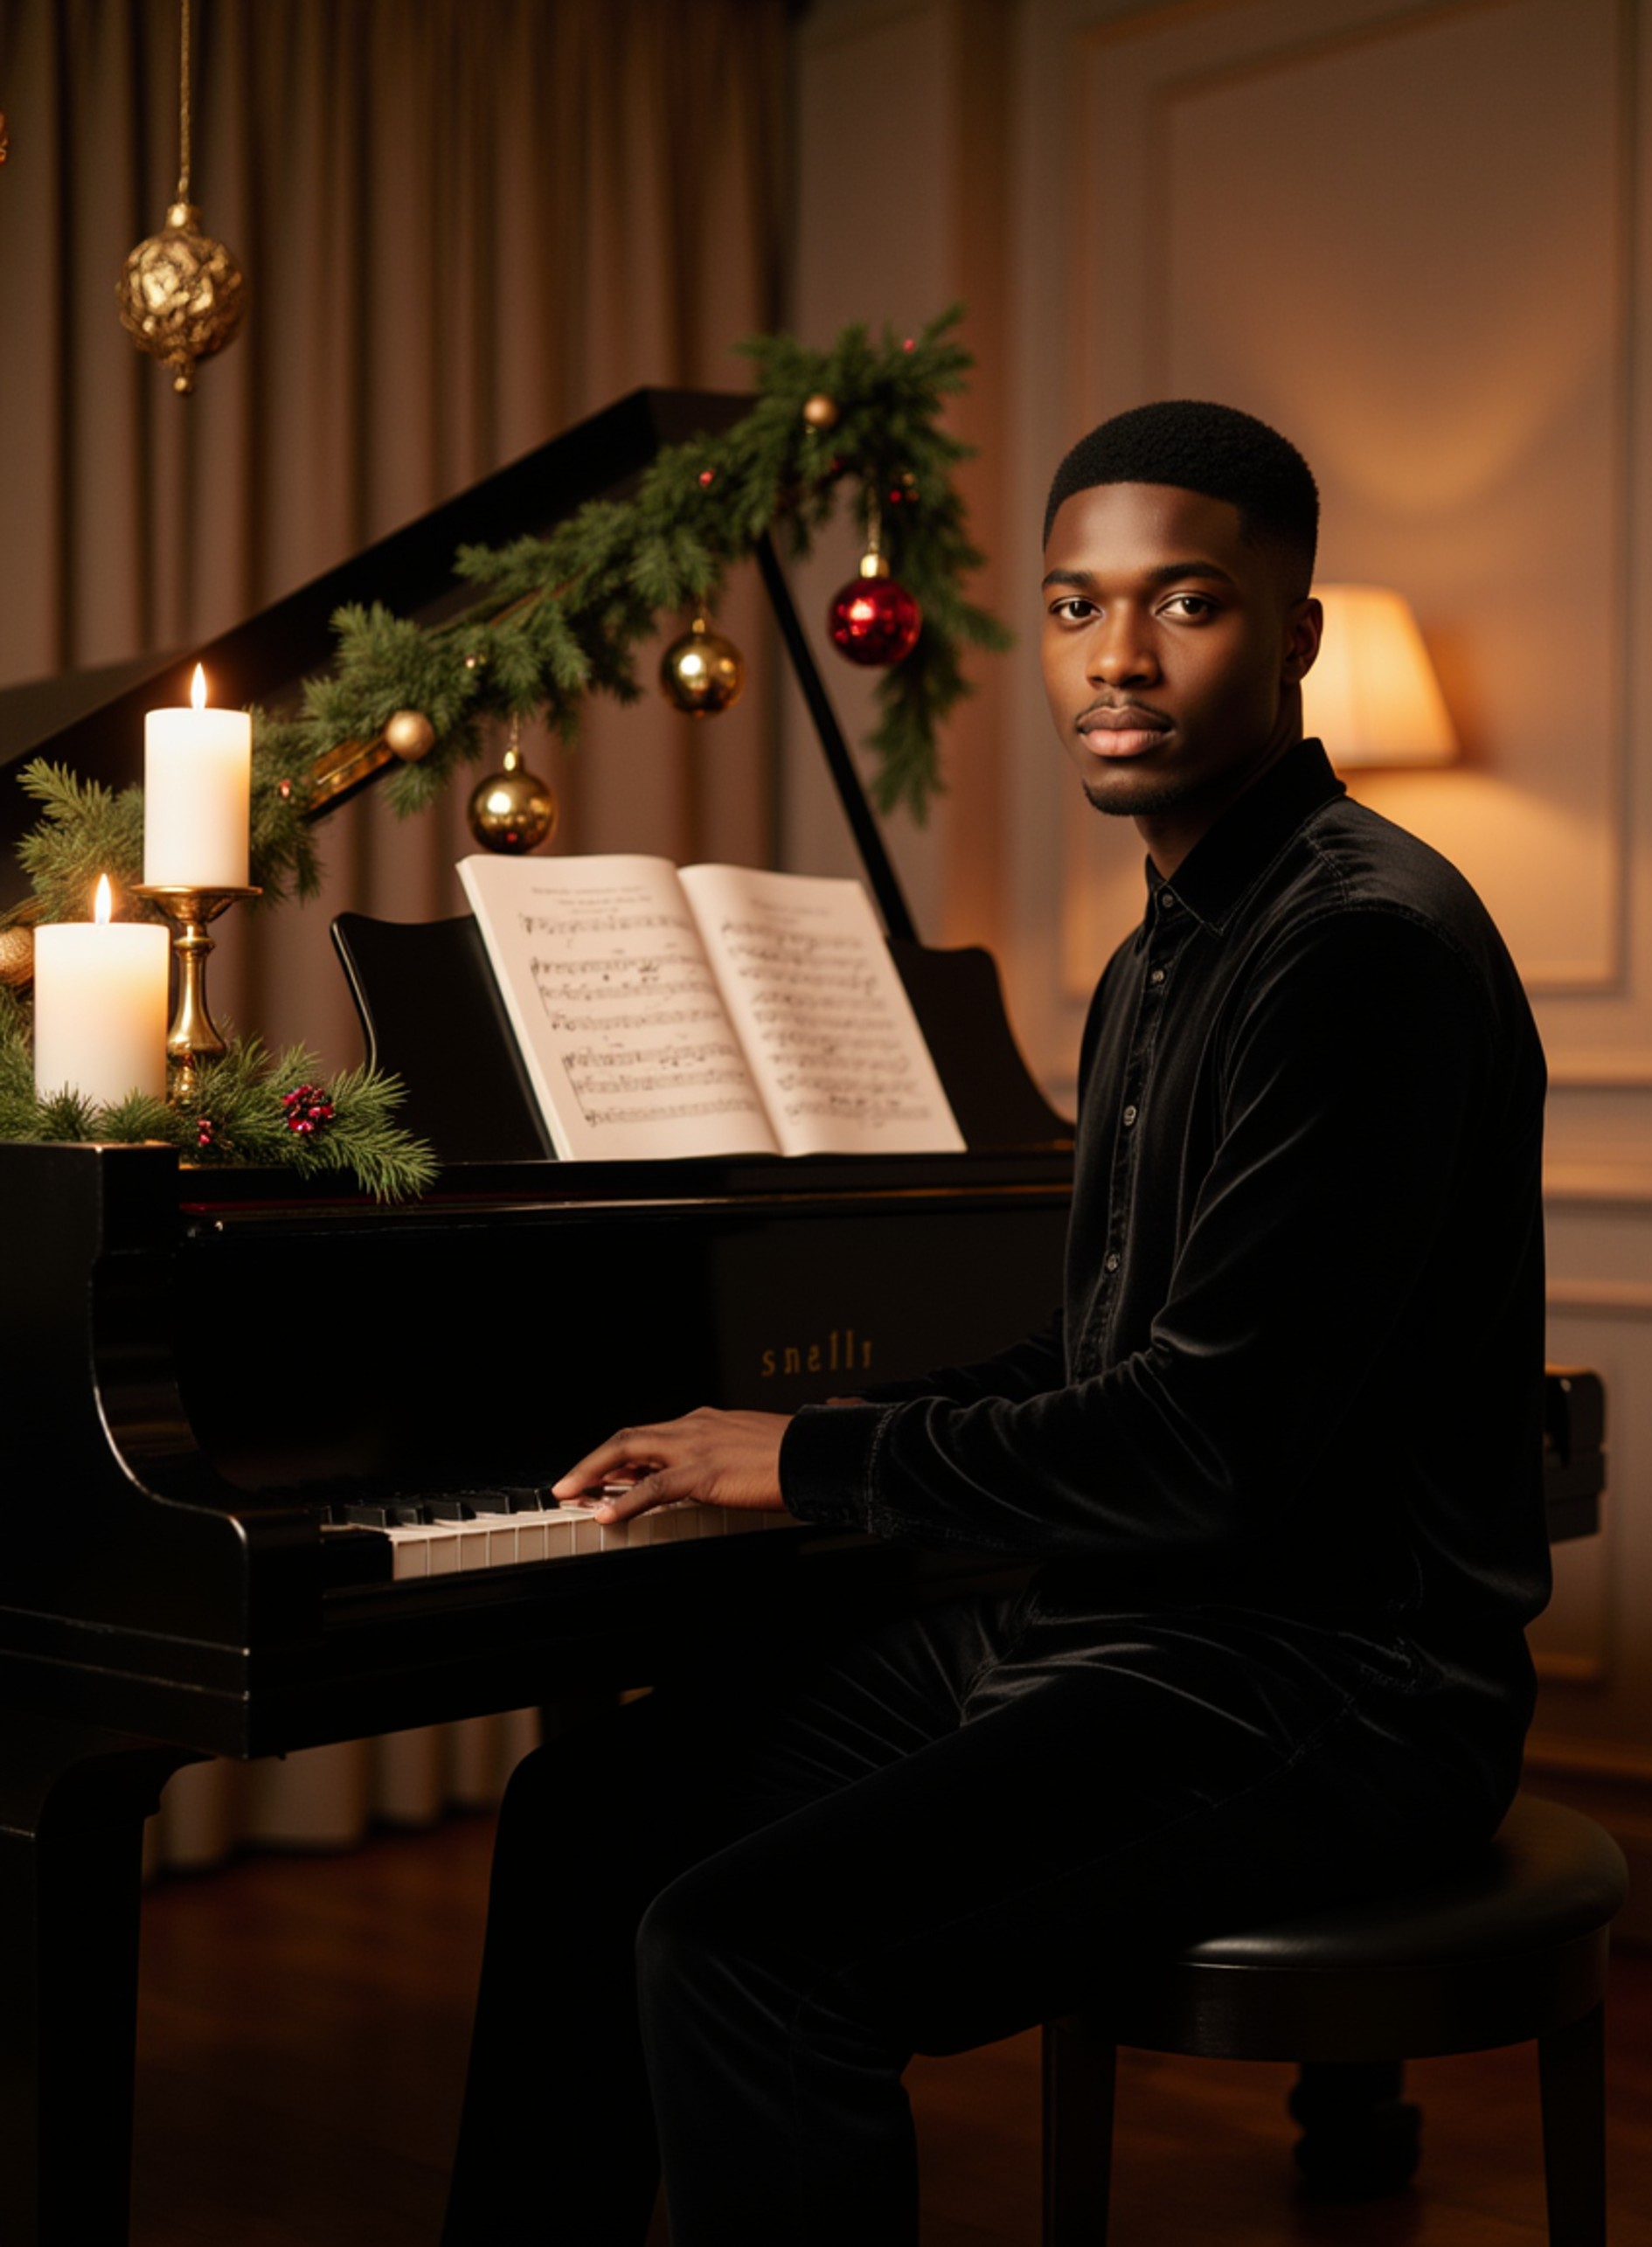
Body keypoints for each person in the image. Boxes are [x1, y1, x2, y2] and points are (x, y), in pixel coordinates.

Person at [441, 400, 1550, 2247]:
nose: (1113, 659)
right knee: (585, 1823)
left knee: (750, 1951)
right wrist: (824, 1432)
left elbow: (1202, 1444)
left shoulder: (1361, 950)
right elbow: (1101, 1353)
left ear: (1293, 631)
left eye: (1182, 603)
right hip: (1102, 1619)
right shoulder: (1158, 953)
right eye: (1069, 605)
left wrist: (808, 1455)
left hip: (1326, 1679)